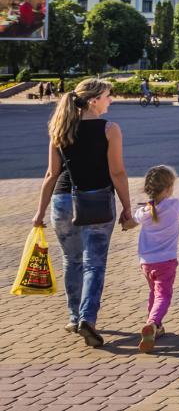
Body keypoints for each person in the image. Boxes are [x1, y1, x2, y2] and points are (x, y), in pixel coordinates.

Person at [31, 78, 134, 348]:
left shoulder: (60, 128)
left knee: (72, 260)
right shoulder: (110, 129)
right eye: (108, 96)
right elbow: (117, 172)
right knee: (94, 263)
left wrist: (39, 212)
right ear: (93, 101)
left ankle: (74, 316)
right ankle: (88, 318)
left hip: (62, 202)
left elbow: (51, 174)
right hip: (97, 201)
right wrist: (127, 207)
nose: (111, 100)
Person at [133, 165, 179, 353]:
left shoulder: (144, 213)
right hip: (167, 261)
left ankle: (155, 326)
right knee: (163, 295)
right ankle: (153, 323)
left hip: (146, 262)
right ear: (169, 188)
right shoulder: (175, 204)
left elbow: (134, 219)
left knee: (154, 292)